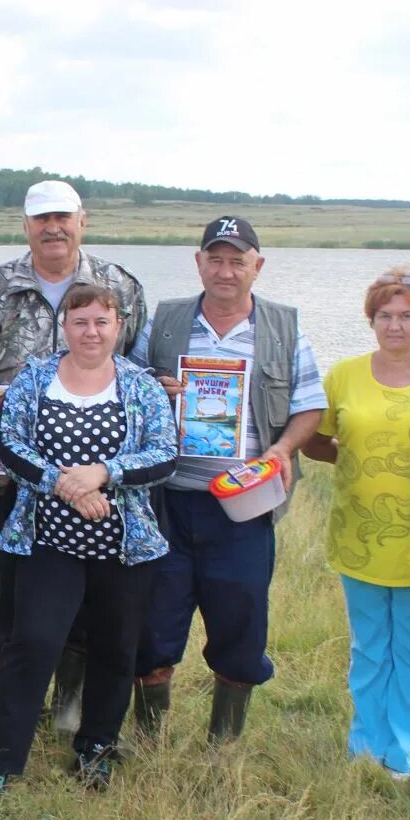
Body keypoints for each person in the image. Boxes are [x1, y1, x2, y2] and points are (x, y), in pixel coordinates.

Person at [0, 179, 148, 725]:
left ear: (83, 220)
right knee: (7, 587)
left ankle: (71, 701)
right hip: (7, 477)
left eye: (63, 217)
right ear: (26, 226)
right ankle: (20, 700)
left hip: (93, 480)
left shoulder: (120, 286)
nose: (53, 227)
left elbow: (140, 374)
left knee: (89, 592)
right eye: (41, 219)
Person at [0, 285, 176, 797]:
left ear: (119, 326)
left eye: (101, 322)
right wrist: (65, 484)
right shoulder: (34, 379)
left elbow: (165, 453)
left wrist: (103, 473)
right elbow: (10, 445)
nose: (91, 332)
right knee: (32, 642)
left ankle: (96, 750)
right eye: (80, 321)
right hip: (47, 538)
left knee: (115, 648)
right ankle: (0, 760)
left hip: (124, 545)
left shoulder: (141, 385)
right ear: (65, 326)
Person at [131, 216, 325, 743]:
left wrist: (283, 449)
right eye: (215, 259)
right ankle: (149, 738)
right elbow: (125, 383)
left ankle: (223, 745)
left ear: (256, 267)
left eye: (237, 261)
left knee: (240, 628)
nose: (225, 271)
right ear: (198, 263)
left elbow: (310, 406)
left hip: (244, 507)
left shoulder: (284, 328)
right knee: (152, 627)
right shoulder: (165, 322)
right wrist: (154, 388)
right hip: (166, 502)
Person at [301, 269, 410, 777]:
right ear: (371, 320)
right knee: (369, 646)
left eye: (406, 315)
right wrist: (351, 456)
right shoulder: (344, 375)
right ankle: (366, 744)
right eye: (384, 315)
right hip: (358, 536)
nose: (394, 325)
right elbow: (315, 436)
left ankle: (407, 753)